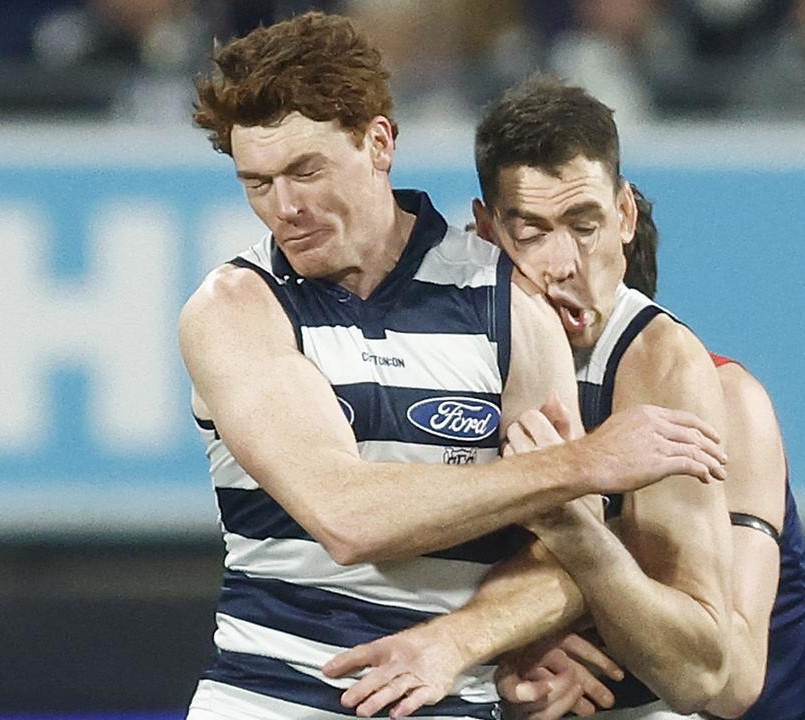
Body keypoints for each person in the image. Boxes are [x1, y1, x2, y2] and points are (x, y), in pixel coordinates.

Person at [179, 15, 728, 720]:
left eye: (305, 171)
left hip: (449, 701)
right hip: (269, 698)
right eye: (256, 182)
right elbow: (348, 517)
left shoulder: (507, 304)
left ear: (379, 142)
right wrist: (584, 462)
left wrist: (471, 636)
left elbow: (567, 547)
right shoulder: (237, 309)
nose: (284, 208)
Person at [324, 77, 805, 720]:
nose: (564, 263)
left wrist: (565, 536)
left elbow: (732, 679)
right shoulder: (458, 373)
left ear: (624, 218)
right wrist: (514, 651)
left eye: (585, 226)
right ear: (487, 234)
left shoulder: (717, 395)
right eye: (532, 232)